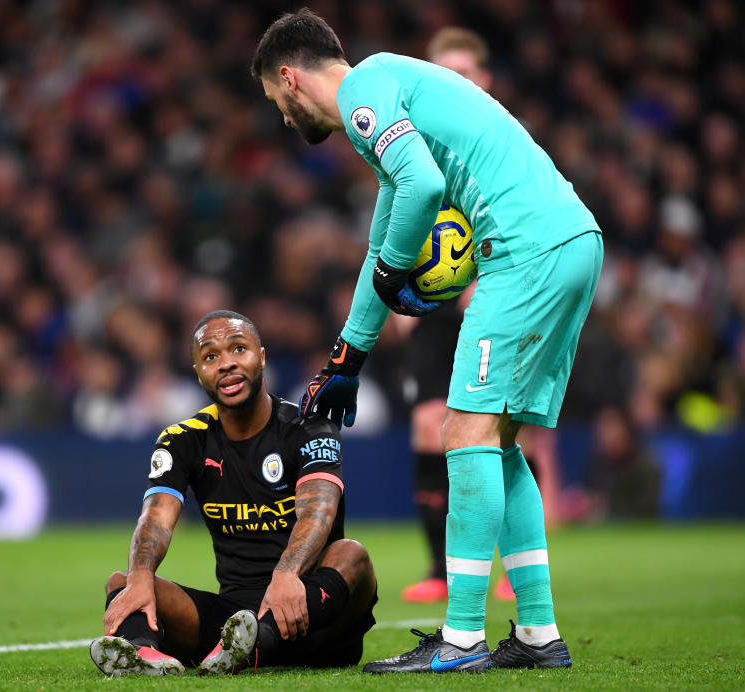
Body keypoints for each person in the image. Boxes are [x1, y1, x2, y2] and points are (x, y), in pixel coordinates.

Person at [253, 9, 602, 673]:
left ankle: (463, 638)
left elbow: (425, 187)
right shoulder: (389, 95)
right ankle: (537, 633)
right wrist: (346, 357)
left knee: (462, 432)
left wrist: (391, 271)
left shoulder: (365, 90)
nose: (281, 113)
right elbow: (383, 246)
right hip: (571, 240)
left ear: (290, 78)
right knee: (499, 445)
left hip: (523, 250)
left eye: (275, 99)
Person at [90, 310, 378, 677]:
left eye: (238, 349)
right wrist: (141, 575)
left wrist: (288, 574)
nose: (226, 364)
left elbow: (318, 511)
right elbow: (157, 517)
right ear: (198, 372)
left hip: (313, 612)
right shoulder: (183, 439)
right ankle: (141, 652)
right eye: (210, 356)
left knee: (352, 555)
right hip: (232, 621)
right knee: (124, 581)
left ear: (261, 356)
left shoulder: (309, 426)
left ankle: (257, 646)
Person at [399, 25, 501, 605]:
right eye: (446, 73)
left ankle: (509, 565)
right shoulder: (419, 142)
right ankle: (438, 568)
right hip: (435, 308)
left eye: (465, 72)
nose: (457, 83)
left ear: (484, 80)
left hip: (494, 296)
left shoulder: (500, 137)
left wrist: (487, 279)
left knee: (505, 434)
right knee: (427, 426)